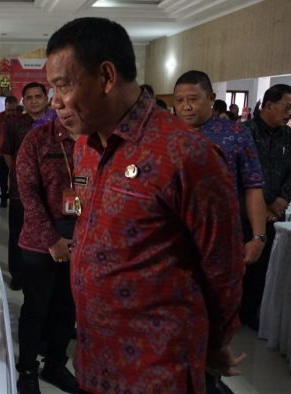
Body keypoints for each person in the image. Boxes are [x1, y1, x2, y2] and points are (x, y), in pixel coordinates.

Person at [46, 18, 245, 393]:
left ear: (106, 76)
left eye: (62, 85)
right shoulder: (86, 149)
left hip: (157, 370)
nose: (55, 101)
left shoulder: (188, 155)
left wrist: (215, 343)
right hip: (93, 358)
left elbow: (224, 267)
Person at [173, 70, 267, 394]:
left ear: (211, 100)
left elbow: (253, 187)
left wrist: (258, 236)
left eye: (193, 100)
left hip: (222, 240)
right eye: (180, 101)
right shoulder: (166, 136)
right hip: (176, 242)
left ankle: (211, 375)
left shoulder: (235, 135)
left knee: (218, 307)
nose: (185, 107)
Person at [15, 118, 79, 394]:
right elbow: (27, 194)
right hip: (40, 241)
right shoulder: (37, 139)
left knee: (67, 309)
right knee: (36, 308)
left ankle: (55, 364)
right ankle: (28, 370)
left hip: (81, 239)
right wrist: (52, 239)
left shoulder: (96, 136)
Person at [241, 84, 291, 329]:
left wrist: (282, 199)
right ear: (269, 105)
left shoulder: (287, 137)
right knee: (237, 263)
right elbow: (241, 174)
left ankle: (250, 312)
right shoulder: (243, 132)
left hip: (273, 215)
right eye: (286, 107)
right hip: (243, 211)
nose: (289, 113)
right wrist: (267, 201)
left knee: (261, 267)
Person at [2, 82, 49, 291]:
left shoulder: (56, 123)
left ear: (46, 99)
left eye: (38, 96)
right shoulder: (14, 125)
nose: (34, 101)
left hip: (49, 191)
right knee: (17, 232)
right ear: (23, 101)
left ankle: (43, 273)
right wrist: (23, 176)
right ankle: (18, 274)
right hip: (20, 191)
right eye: (29, 97)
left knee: (46, 229)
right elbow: (7, 153)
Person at [0, 95, 20, 208]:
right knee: (3, 176)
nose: (11, 112)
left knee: (15, 176)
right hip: (2, 152)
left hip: (16, 152)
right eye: (9, 110)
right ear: (5, 107)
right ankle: (3, 197)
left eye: (13, 110)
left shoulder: (21, 117)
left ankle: (15, 198)